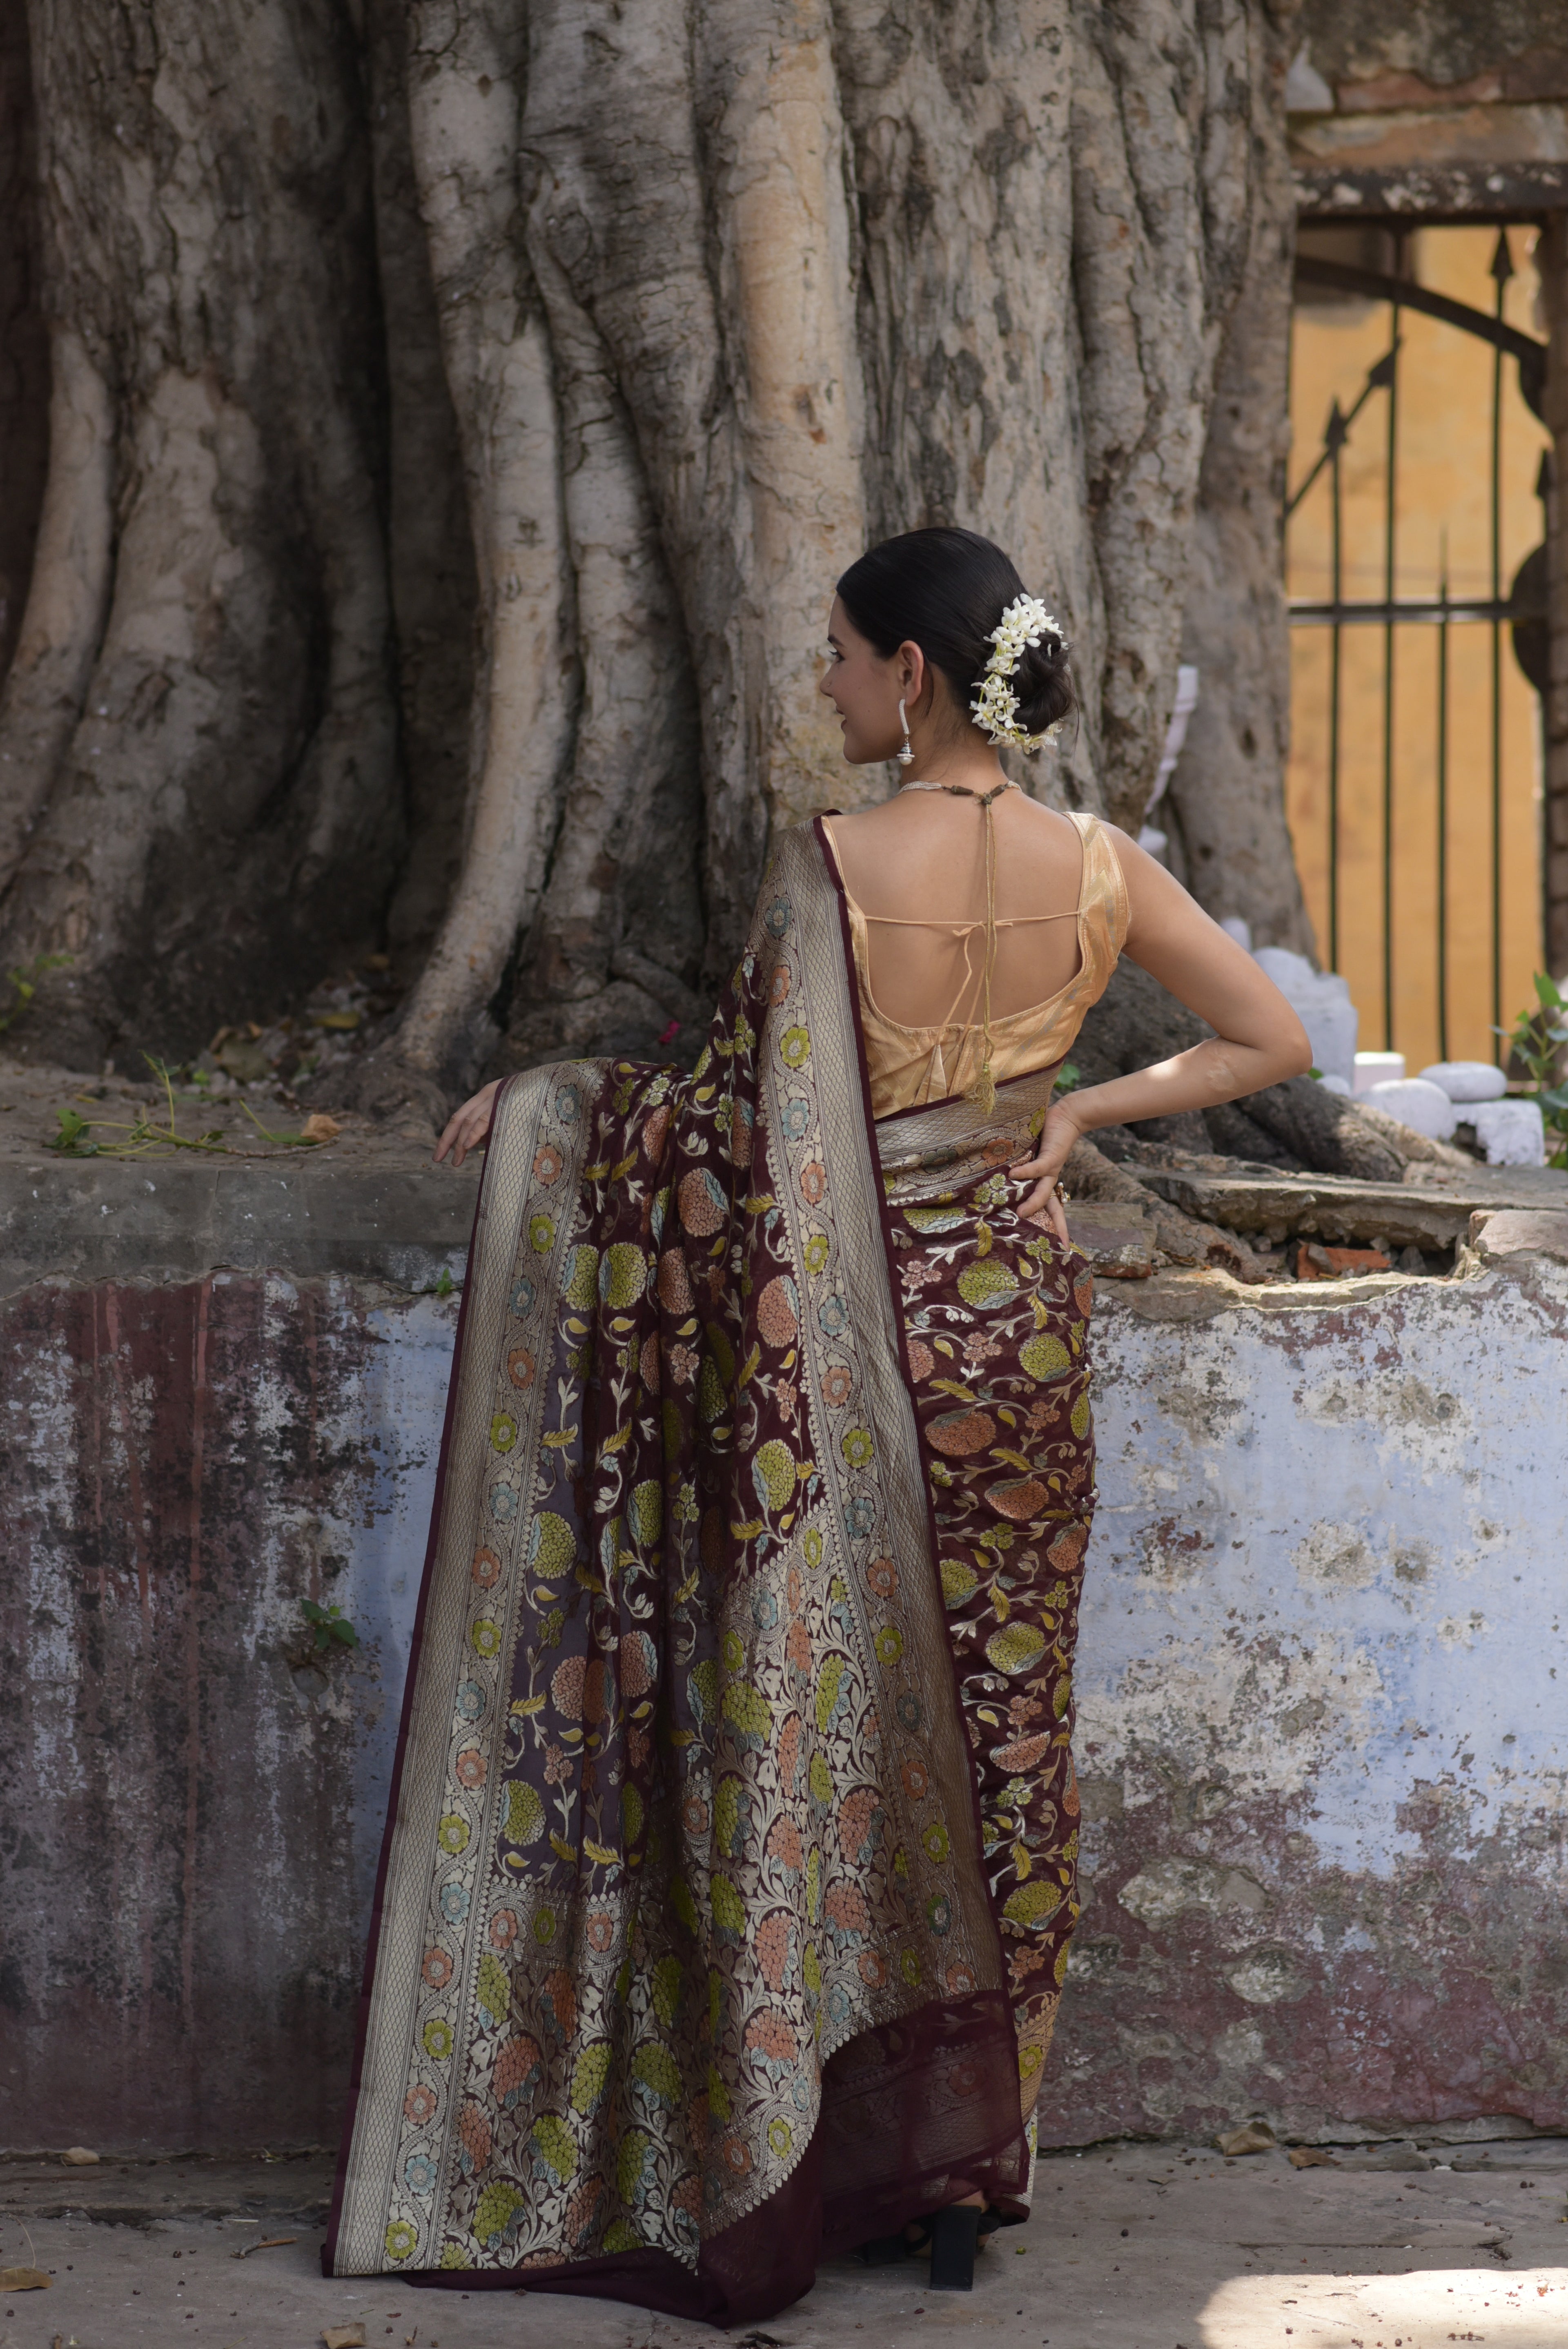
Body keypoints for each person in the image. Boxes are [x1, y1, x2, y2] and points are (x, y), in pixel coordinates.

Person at [325, 528, 1310, 2323]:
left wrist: (554, 1112)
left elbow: (722, 1123)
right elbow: (1265, 1041)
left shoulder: (838, 864)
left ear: (912, 676)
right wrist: (1082, 1114)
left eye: (843, 657)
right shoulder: (1105, 864)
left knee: (829, 1712)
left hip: (853, 1351)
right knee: (1006, 1719)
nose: (828, 684)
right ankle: (967, 2160)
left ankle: (828, 2133)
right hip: (1015, 1330)